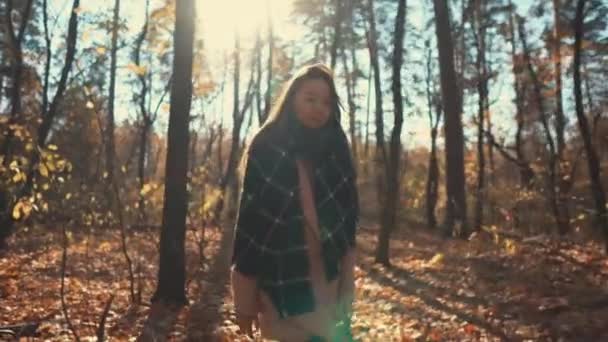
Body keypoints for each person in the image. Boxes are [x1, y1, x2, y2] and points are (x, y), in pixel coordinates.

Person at [230, 63, 359, 341]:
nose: (318, 108)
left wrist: (348, 286)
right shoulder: (267, 145)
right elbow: (251, 224)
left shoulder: (337, 148)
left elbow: (348, 225)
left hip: (328, 277)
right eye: (309, 99)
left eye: (326, 102)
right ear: (291, 100)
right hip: (281, 277)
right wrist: (244, 299)